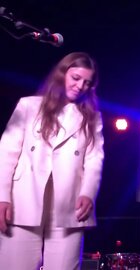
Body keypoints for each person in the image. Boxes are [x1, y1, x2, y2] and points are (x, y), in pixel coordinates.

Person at [0, 52, 104, 269]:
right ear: (62, 74)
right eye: (75, 78)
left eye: (87, 82)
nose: (80, 86)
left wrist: (87, 192)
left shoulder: (92, 116)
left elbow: (95, 158)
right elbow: (6, 153)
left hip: (70, 205)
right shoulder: (28, 106)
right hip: (24, 200)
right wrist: (2, 197)